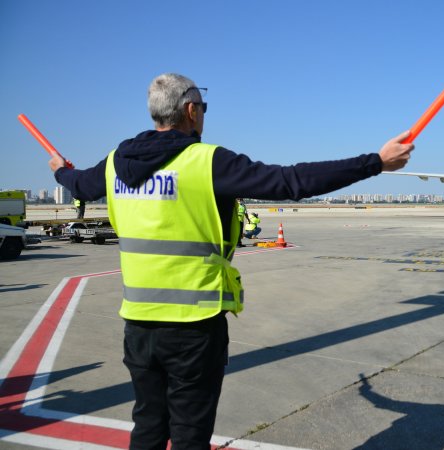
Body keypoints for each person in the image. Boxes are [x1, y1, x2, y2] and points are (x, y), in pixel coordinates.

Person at [48, 73, 414, 449]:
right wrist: (375, 162)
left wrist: (59, 169)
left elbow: (78, 183)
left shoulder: (113, 165)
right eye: (203, 108)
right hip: (194, 327)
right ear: (191, 110)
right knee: (190, 433)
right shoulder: (205, 162)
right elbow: (291, 181)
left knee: (148, 425)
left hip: (138, 324)